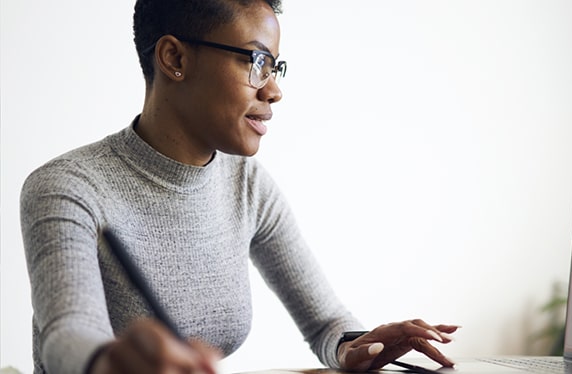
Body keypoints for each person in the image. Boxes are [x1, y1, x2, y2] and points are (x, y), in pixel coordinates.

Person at [19, 0, 458, 373]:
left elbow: (327, 324)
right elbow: (66, 336)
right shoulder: (68, 187)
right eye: (257, 61)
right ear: (174, 59)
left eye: (275, 65)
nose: (274, 90)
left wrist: (354, 346)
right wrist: (112, 360)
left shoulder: (247, 185)